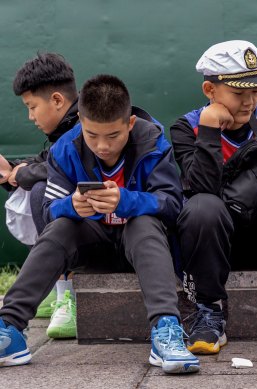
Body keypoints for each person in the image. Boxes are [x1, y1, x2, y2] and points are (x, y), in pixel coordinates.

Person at [0, 74, 199, 373]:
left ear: (130, 124)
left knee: (144, 222)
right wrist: (71, 205)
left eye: (113, 136)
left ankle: (166, 332)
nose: (102, 146)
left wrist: (127, 201)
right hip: (91, 244)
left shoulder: (152, 140)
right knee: (60, 226)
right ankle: (9, 329)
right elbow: (47, 210)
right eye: (92, 135)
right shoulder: (66, 147)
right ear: (80, 120)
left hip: (142, 244)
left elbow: (172, 205)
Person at [170, 40, 257, 355]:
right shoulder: (187, 127)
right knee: (201, 207)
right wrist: (208, 128)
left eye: (255, 91)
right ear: (210, 90)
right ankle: (210, 311)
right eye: (239, 93)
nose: (249, 101)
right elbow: (201, 188)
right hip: (217, 242)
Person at [1, 52, 80, 338]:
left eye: (32, 107)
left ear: (57, 100)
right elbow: (44, 162)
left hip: (111, 227)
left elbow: (61, 169)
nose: (30, 117)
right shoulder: (65, 128)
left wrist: (21, 174)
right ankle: (57, 285)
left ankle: (69, 296)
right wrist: (9, 171)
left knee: (41, 192)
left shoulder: (87, 124)